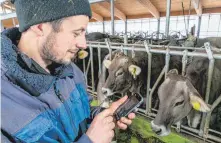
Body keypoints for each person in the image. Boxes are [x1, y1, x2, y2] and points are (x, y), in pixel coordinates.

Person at [1, 0, 135, 142]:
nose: (83, 44)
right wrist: (91, 140)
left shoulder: (71, 70)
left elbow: (82, 113)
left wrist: (104, 117)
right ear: (40, 27)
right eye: (76, 33)